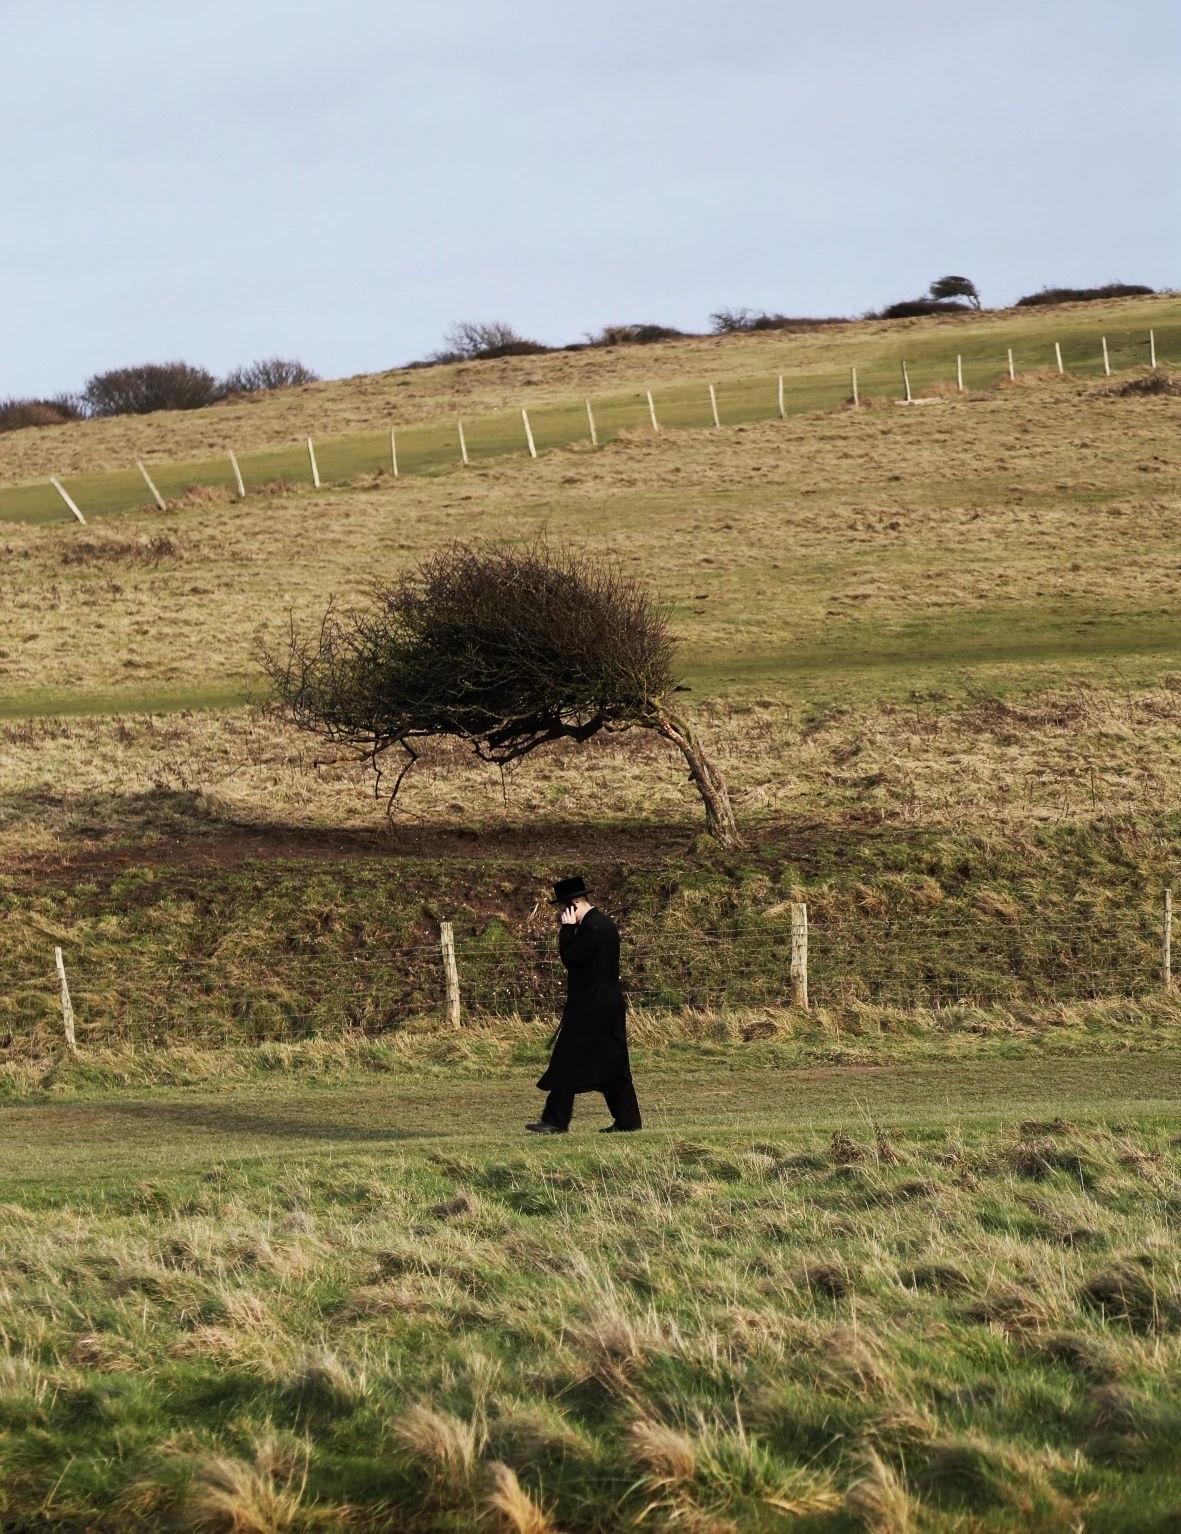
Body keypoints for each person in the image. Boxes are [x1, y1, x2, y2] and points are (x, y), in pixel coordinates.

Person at [526, 876, 642, 1135]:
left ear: (572, 905)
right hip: (606, 1002)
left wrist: (566, 930)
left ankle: (555, 1120)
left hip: (592, 1004)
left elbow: (571, 959)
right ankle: (628, 1121)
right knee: (613, 1061)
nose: (561, 915)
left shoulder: (590, 928)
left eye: (563, 909)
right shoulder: (603, 924)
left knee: (568, 1058)